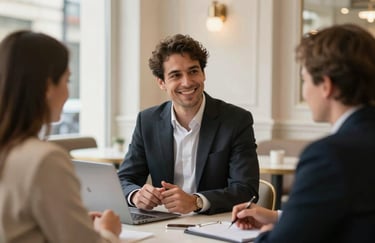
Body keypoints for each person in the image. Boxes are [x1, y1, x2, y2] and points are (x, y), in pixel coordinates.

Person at [231, 24, 375, 242]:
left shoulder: (329, 156)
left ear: (326, 86)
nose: (305, 92)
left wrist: (268, 234)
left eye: (304, 80)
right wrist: (280, 218)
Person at [0, 30, 121, 242]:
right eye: (67, 80)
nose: (67, 92)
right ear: (48, 86)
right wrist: (108, 230)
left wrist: (74, 221)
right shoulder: (44, 159)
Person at [118, 34, 259, 215]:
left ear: (203, 73)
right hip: (162, 224)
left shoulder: (236, 120)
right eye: (176, 75)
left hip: (214, 225)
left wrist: (197, 201)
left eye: (193, 71)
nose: (187, 82)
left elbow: (246, 190)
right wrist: (136, 195)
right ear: (162, 82)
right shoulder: (147, 121)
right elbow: (124, 179)